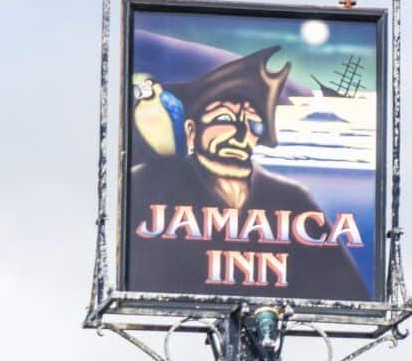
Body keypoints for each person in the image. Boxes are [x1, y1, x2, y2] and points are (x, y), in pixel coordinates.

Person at [126, 46, 369, 301]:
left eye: (252, 123)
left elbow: (350, 296)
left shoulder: (292, 199)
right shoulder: (144, 186)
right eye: (223, 119)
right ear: (190, 130)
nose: (241, 135)